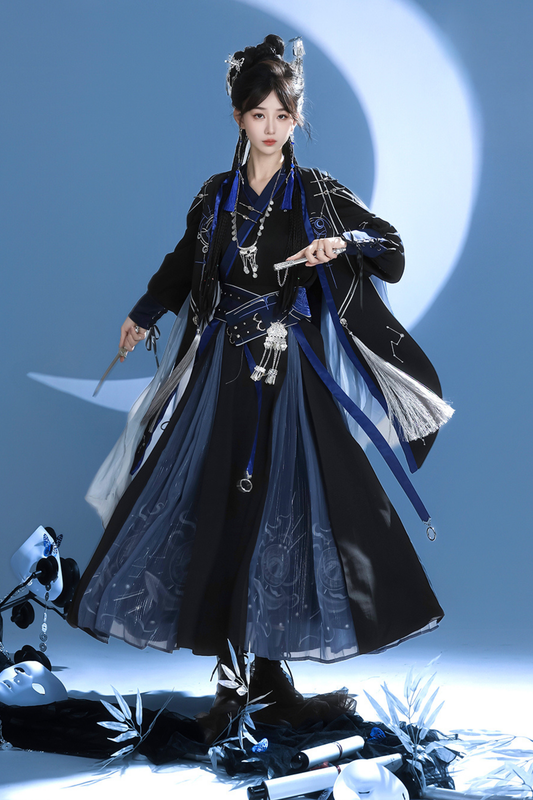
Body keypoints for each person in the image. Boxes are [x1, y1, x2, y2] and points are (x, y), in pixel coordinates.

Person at [68, 34, 452, 737]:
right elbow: (182, 266)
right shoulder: (215, 198)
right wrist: (144, 312)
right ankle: (232, 678)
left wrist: (342, 244)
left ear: (295, 119)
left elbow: (391, 250)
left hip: (289, 378)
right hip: (222, 375)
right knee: (218, 511)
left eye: (282, 115)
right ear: (239, 118)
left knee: (292, 514)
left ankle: (269, 675)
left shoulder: (317, 194)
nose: (270, 128)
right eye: (257, 115)